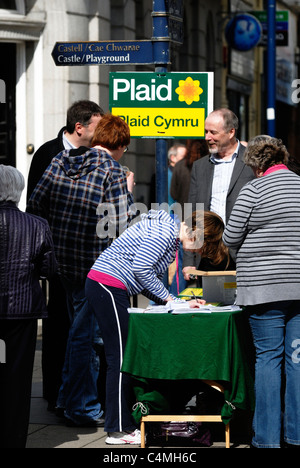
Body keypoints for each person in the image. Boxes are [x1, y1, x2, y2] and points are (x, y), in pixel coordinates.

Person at [27, 114, 136, 427]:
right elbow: (118, 225)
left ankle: (66, 398)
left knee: (78, 331)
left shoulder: (61, 160)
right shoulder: (112, 171)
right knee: (85, 337)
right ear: (118, 146)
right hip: (96, 267)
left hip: (64, 263)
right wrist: (127, 192)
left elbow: (35, 206)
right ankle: (81, 406)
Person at [85, 209, 230, 445]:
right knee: (121, 358)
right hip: (107, 285)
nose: (198, 252)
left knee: (121, 357)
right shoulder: (164, 233)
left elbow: (142, 276)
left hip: (108, 285)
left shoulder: (168, 234)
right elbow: (142, 270)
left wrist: (177, 301)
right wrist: (171, 300)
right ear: (197, 234)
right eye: (203, 246)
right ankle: (118, 430)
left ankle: (120, 425)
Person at [27, 100, 104, 412]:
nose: (100, 134)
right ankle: (54, 391)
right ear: (80, 127)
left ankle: (79, 391)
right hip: (58, 257)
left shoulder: (94, 156)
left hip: (88, 257)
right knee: (59, 325)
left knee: (84, 329)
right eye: (97, 127)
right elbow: (36, 208)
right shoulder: (47, 154)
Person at [222, 136, 300, 448]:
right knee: (297, 359)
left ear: (257, 165)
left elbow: (230, 235)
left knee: (268, 359)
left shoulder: (253, 190)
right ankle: (295, 435)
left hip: (264, 288)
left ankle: (267, 439)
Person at [0, 165, 57, 448]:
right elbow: (48, 269)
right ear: (17, 190)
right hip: (22, 311)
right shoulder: (37, 225)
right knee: (17, 380)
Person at [182, 108, 254, 281]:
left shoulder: (252, 162)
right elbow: (193, 212)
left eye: (213, 132)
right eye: (206, 132)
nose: (207, 137)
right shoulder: (200, 167)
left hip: (245, 256)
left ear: (231, 132)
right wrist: (189, 259)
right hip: (208, 255)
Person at [169, 139, 209, 295]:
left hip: (185, 217)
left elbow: (173, 193)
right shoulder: (207, 167)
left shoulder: (180, 167)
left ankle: (175, 297)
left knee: (182, 264)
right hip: (204, 219)